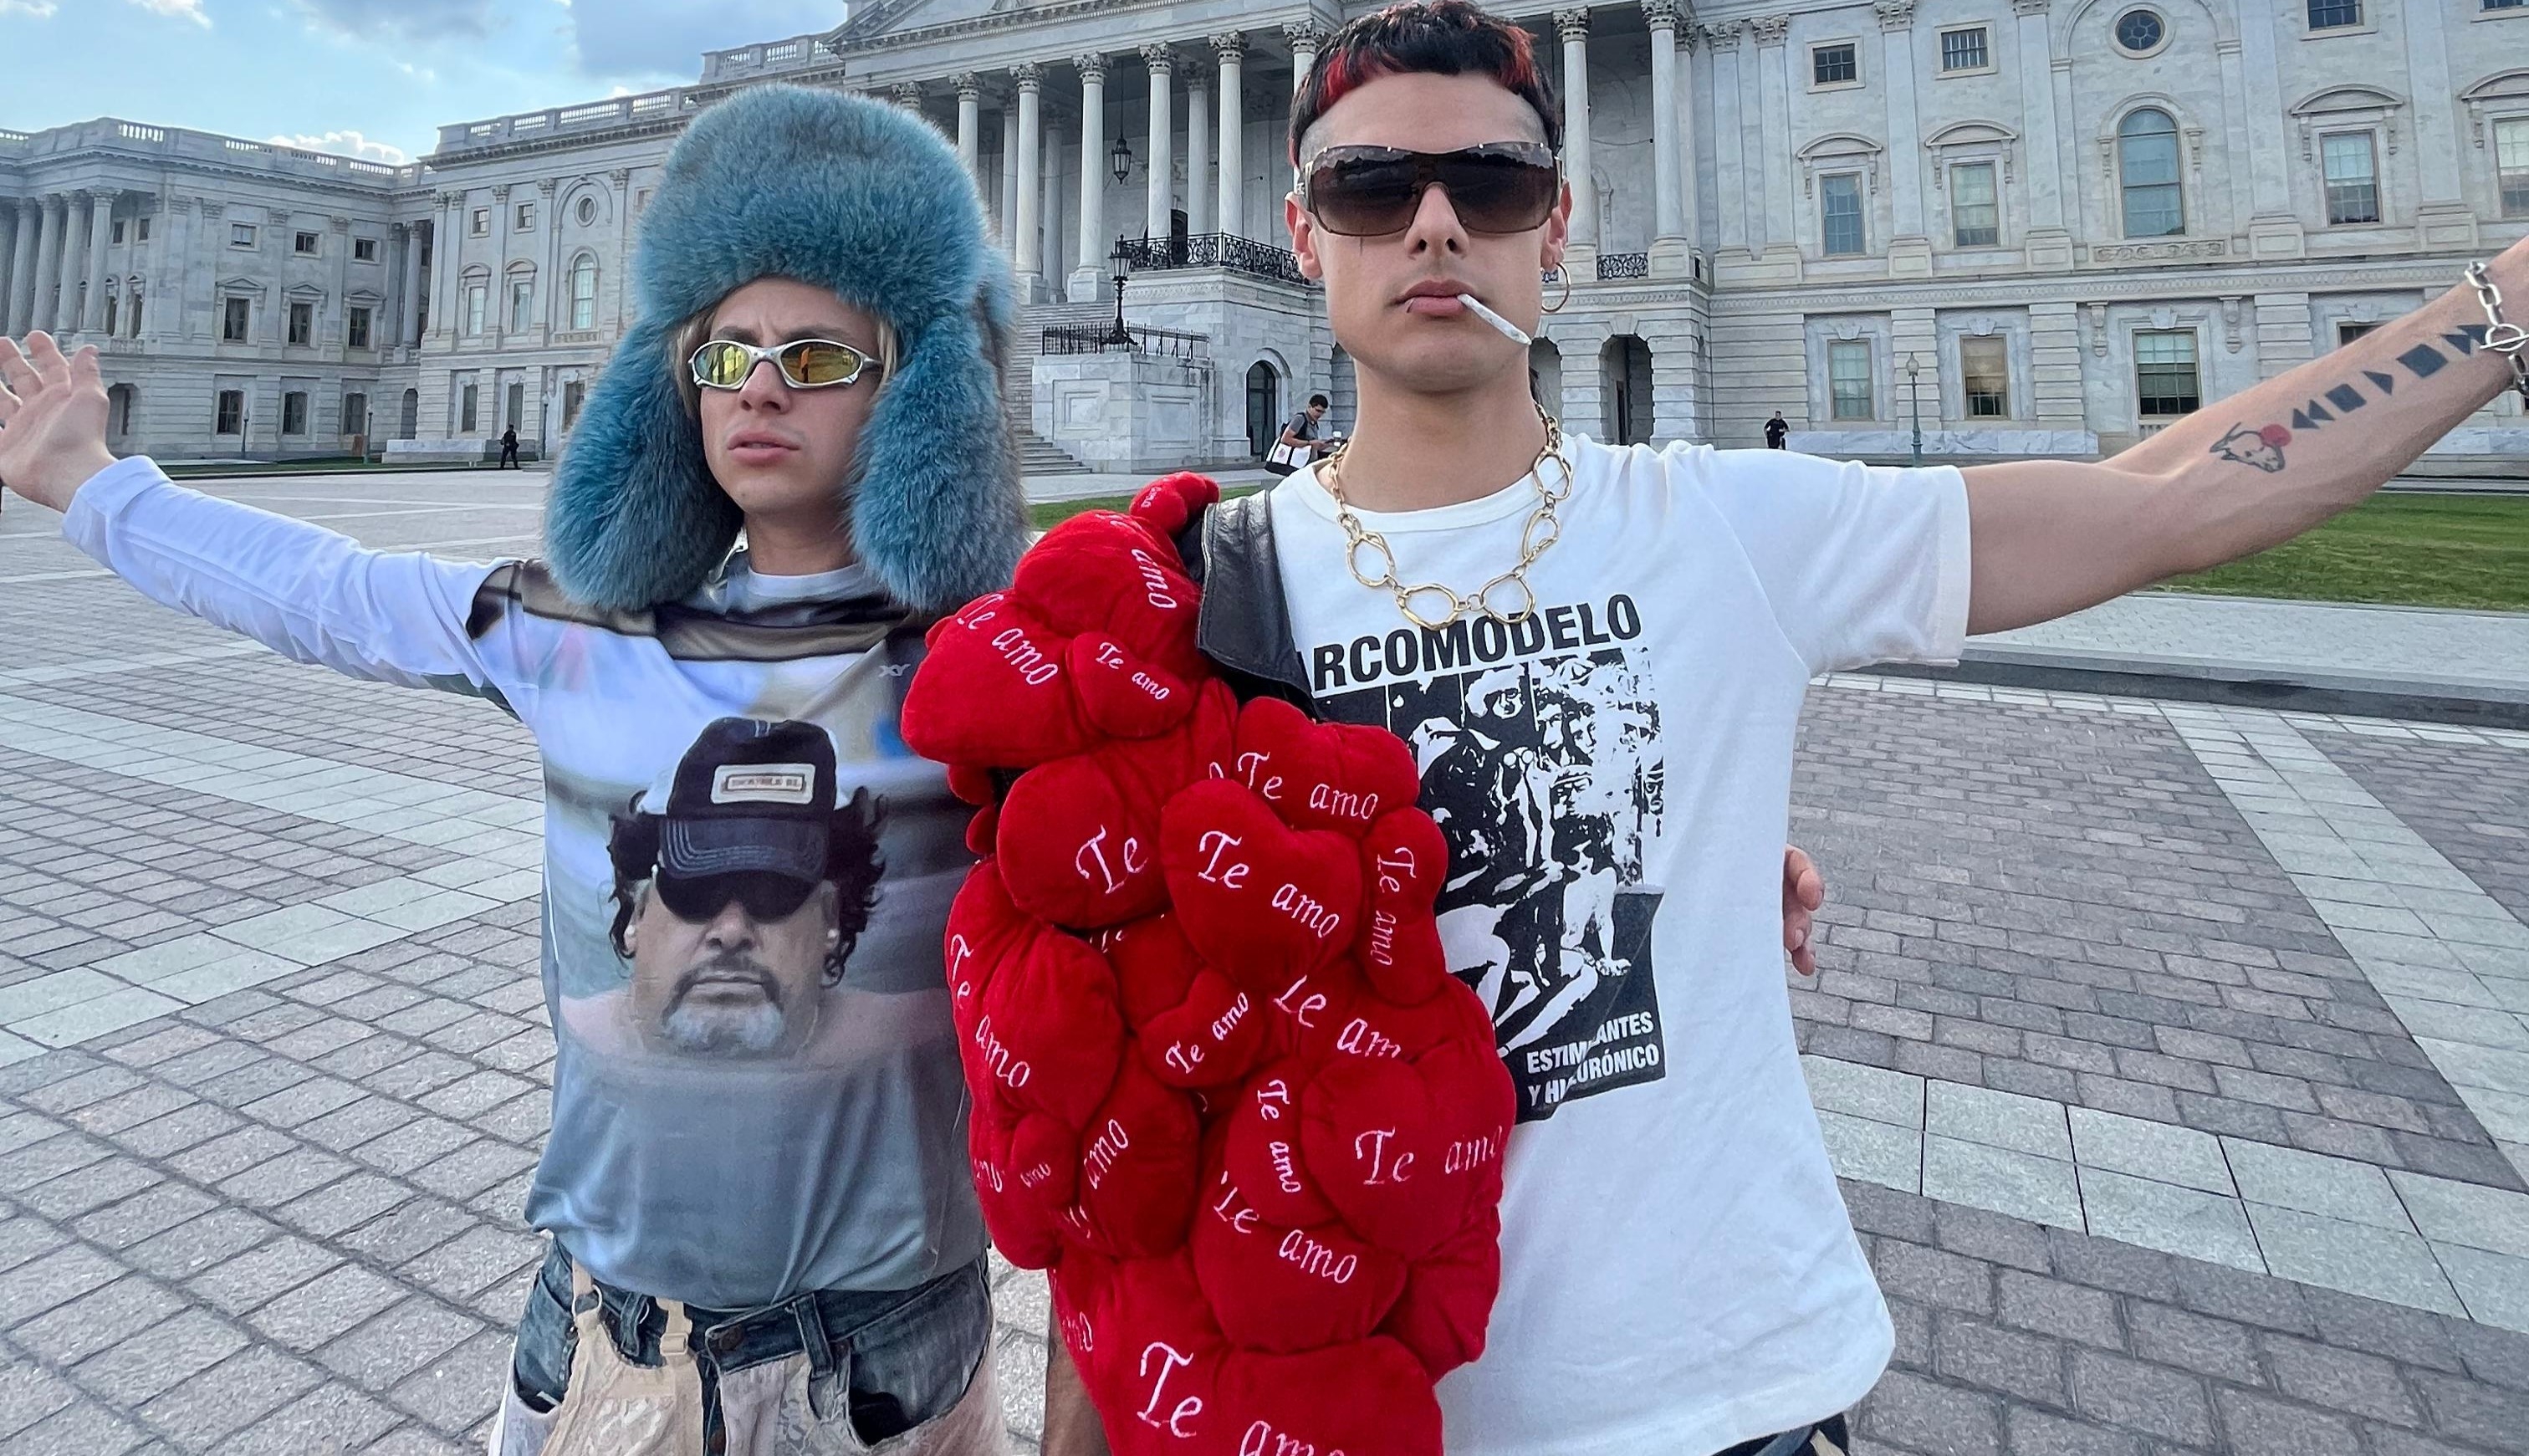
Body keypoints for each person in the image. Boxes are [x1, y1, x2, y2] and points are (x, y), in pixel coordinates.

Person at [1041, 4, 2529, 1454]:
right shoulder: (1189, 593)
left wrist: (2499, 311)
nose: (1434, 227)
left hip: (1721, 1384)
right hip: (1351, 1404)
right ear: (1303, 234)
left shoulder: (1718, 526)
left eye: (1488, 185)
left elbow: (2174, 499)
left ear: (1556, 226)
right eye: (1371, 188)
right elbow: (1116, 1100)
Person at [0, 84, 1029, 1455]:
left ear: (916, 397)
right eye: (725, 358)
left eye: (818, 359)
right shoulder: (572, 636)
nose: (762, 387)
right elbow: (330, 589)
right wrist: (98, 485)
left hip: (884, 1355)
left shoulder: (993, 672)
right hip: (604, 1333)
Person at [1265, 391, 1336, 475]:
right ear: (1309, 407)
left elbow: (1312, 446)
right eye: (1318, 410)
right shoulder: (1300, 419)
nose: (1319, 414)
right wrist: (1309, 443)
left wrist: (1324, 445)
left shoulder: (1313, 423)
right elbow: (1285, 439)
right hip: (1292, 466)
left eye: (1322, 412)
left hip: (1304, 466)